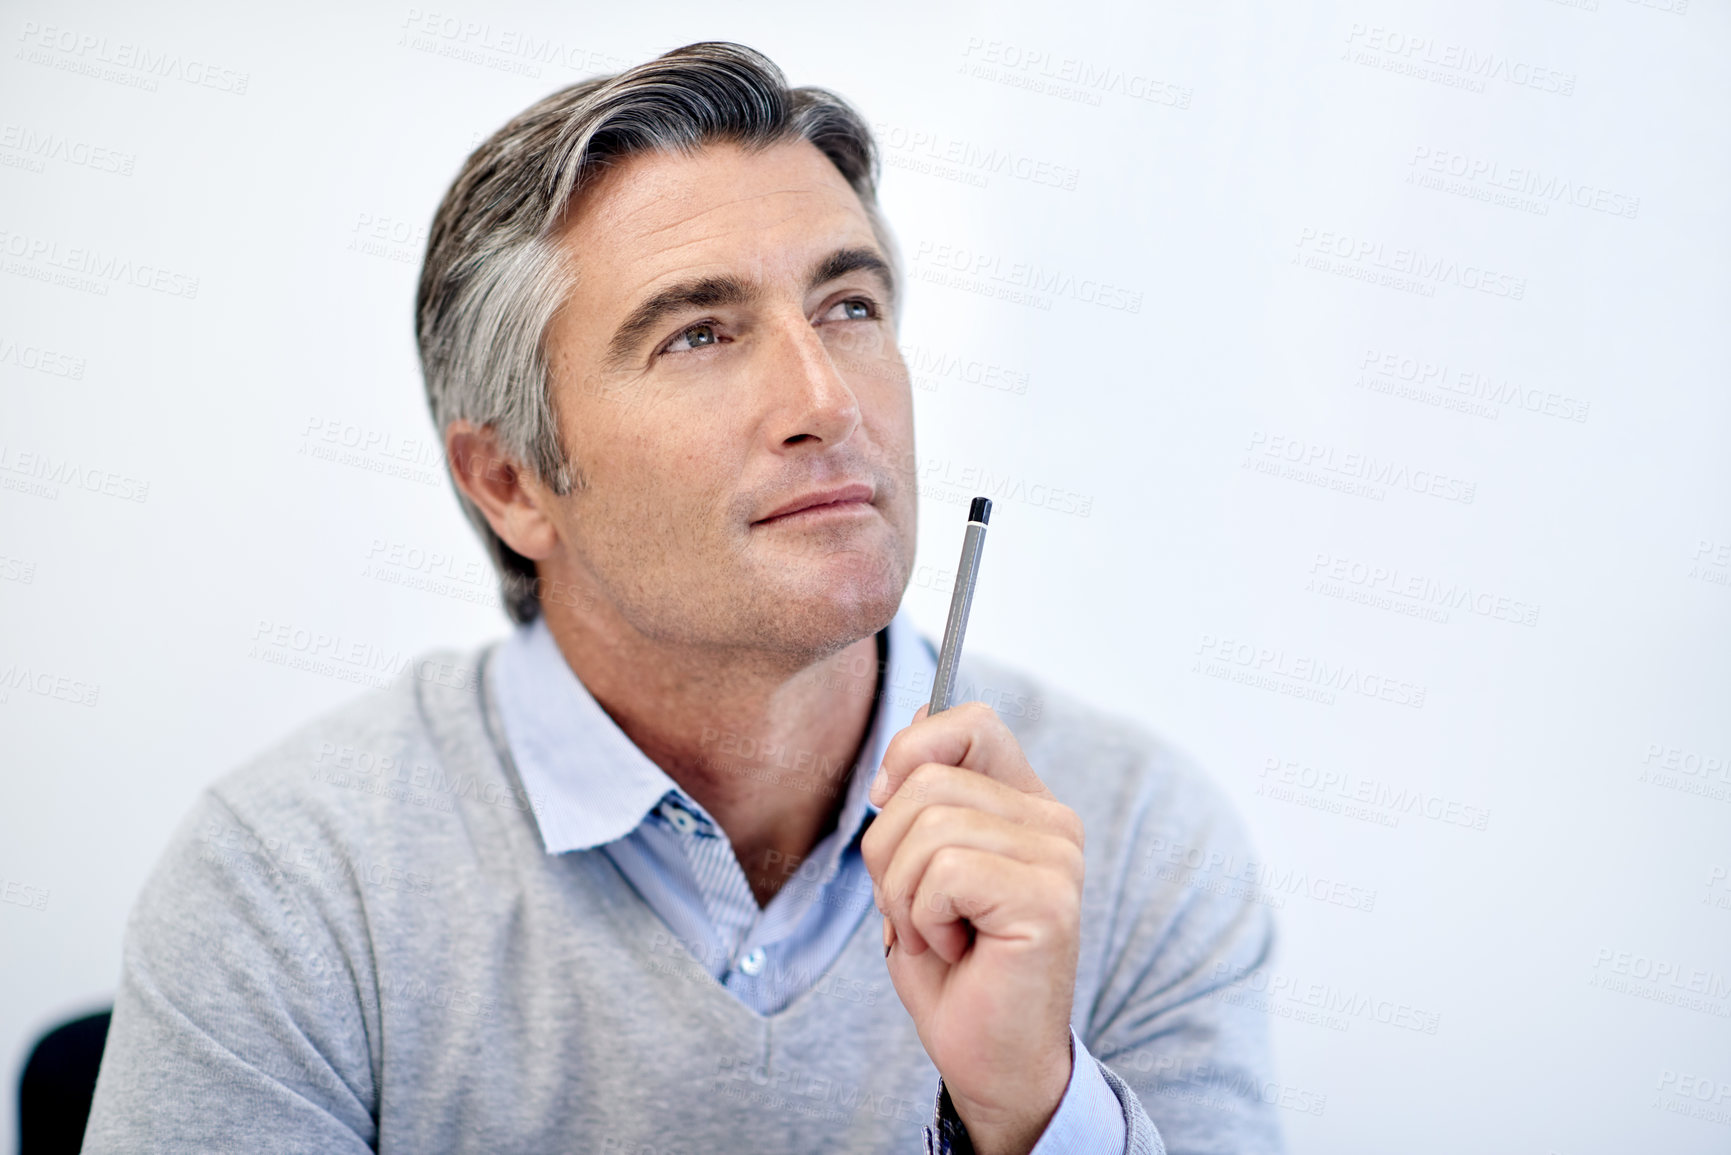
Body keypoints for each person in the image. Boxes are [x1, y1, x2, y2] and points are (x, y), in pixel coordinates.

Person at [82, 42, 1284, 1155]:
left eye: (849, 306)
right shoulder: (296, 886)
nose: (827, 398)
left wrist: (1033, 1112)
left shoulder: (1127, 843)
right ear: (511, 481)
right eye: (700, 335)